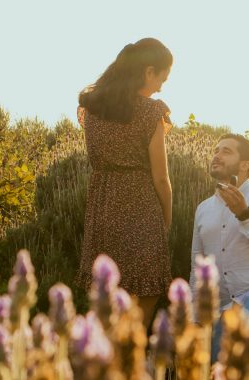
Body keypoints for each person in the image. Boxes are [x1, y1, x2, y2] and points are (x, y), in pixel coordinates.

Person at [76, 38, 173, 328]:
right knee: (148, 290)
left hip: (103, 204)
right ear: (148, 71)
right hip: (140, 205)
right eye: (162, 79)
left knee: (107, 291)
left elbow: (97, 158)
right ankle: (129, 355)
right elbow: (161, 177)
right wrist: (166, 218)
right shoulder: (150, 111)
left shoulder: (93, 109)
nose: (160, 87)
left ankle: (107, 356)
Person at [189, 133, 249, 362]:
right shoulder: (203, 209)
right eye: (216, 150)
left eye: (226, 151)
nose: (217, 155)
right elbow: (197, 267)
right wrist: (195, 317)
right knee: (217, 366)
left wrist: (245, 215)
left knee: (240, 340)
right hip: (224, 307)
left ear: (245, 164)